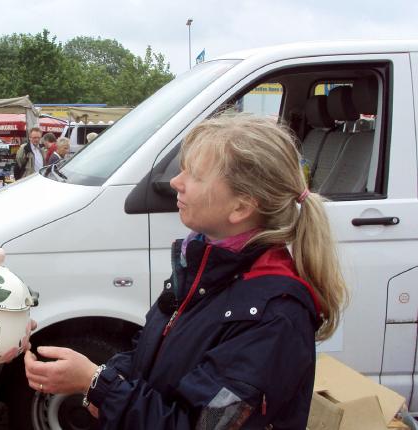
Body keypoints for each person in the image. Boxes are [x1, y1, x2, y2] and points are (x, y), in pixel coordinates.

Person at [24, 114, 348, 429]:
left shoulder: (273, 315)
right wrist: (99, 374)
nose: (175, 182)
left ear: (241, 207)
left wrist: (98, 384)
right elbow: (151, 355)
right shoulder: (205, 266)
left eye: (193, 175)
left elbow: (199, 424)